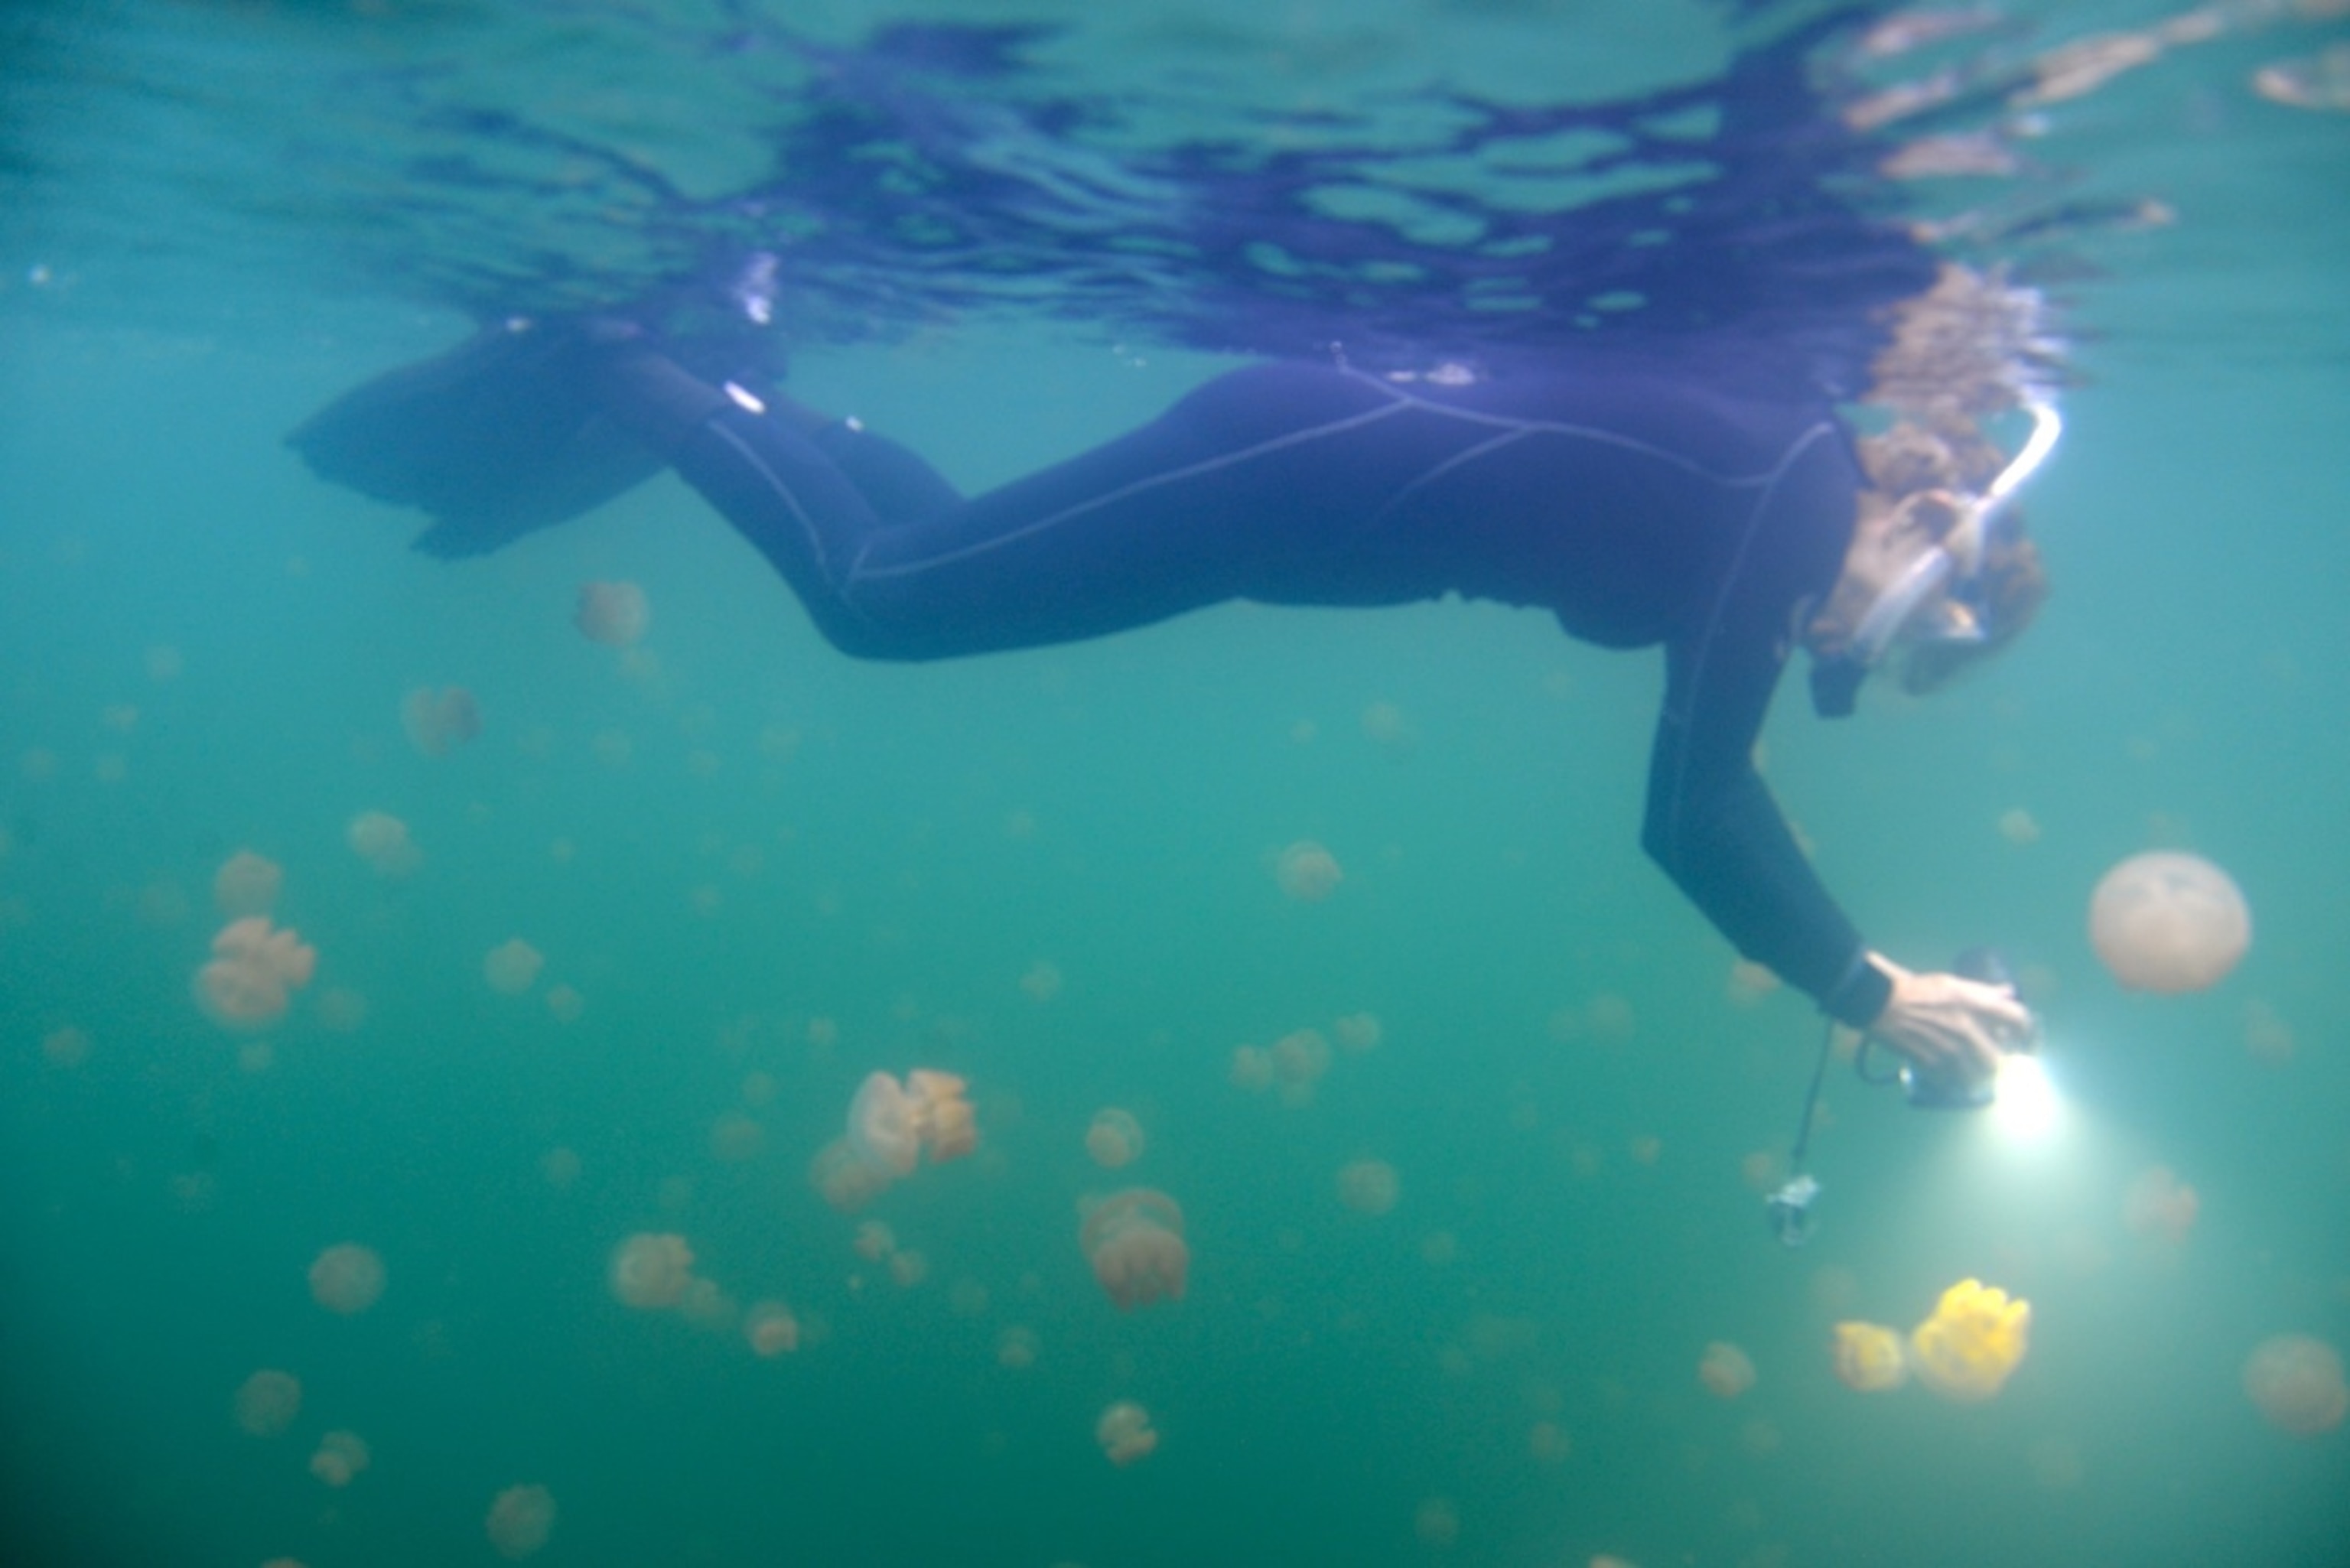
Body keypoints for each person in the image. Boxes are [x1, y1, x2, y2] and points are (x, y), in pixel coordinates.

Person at [289, 267, 2046, 1088]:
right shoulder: (1793, 487)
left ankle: (746, 395)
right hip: (1290, 471)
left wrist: (1874, 967)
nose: (1842, 644)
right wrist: (1857, 980)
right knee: (879, 604)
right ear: (1933, 516)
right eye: (1887, 628)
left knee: (944, 549)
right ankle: (631, 360)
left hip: (1291, 486)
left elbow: (1709, 723)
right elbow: (1692, 800)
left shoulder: (1778, 496)